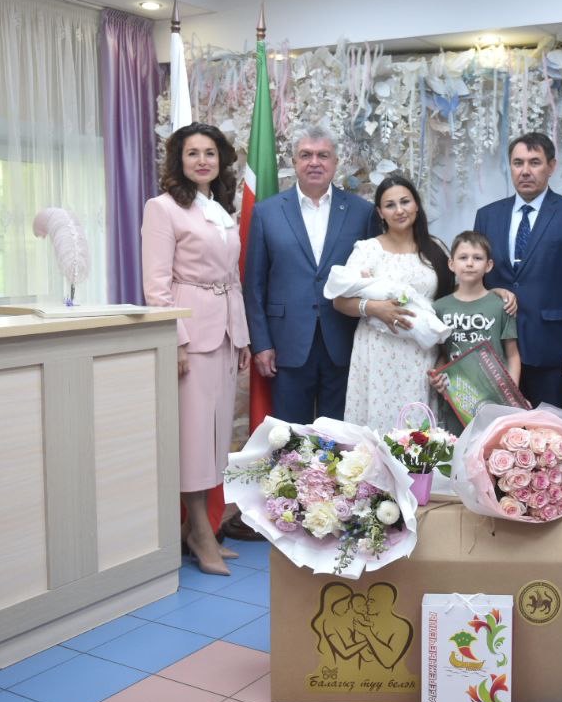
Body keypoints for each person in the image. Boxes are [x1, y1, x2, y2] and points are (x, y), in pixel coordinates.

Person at [142, 122, 251, 576]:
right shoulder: (162, 208)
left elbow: (232, 278)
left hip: (224, 332)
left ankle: (196, 529)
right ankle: (201, 533)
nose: (202, 160)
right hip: (191, 332)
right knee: (193, 438)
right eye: (193, 153)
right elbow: (156, 285)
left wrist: (241, 335)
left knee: (215, 437)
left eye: (210, 153)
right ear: (179, 160)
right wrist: (176, 341)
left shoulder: (220, 209)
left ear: (220, 160)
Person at [244, 125, 378, 424]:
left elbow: (372, 280)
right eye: (306, 155)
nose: (314, 162)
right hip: (286, 344)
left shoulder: (361, 212)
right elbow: (254, 285)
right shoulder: (267, 212)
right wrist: (261, 343)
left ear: (336, 162)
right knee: (291, 437)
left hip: (344, 341)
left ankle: (333, 460)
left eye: (323, 155)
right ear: (294, 162)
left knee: (339, 436)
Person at [473, 132, 562, 410]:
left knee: (548, 432)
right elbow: (476, 279)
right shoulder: (488, 215)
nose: (525, 171)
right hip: (496, 350)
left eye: (535, 162)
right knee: (498, 431)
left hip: (553, 351)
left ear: (551, 166)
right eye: (518, 163)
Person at [333, 175, 453, 433]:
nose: (399, 210)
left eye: (405, 202)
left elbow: (453, 300)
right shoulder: (367, 250)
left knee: (418, 432)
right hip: (377, 352)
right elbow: (340, 301)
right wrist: (375, 308)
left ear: (416, 205)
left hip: (422, 355)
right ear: (380, 212)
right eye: (390, 205)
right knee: (377, 429)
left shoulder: (436, 249)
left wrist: (444, 355)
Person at [430, 231, 522, 432]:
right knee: (456, 448)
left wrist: (510, 397)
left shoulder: (501, 305)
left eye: (477, 258)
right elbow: (441, 354)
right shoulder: (439, 308)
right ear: (451, 264)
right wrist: (437, 375)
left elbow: (513, 355)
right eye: (463, 257)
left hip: (494, 399)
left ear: (489, 265)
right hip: (457, 399)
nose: (470, 263)